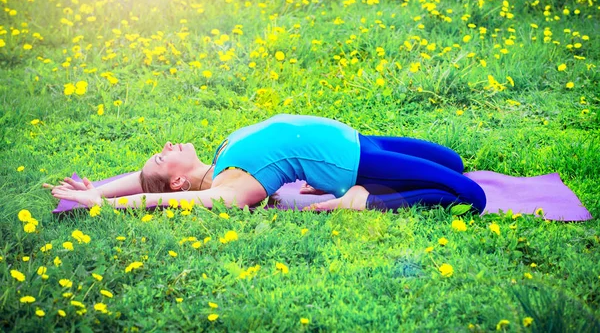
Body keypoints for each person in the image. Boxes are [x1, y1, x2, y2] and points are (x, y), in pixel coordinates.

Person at [46, 114, 486, 213]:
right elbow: (155, 197)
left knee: (454, 161)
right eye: (163, 156)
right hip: (354, 163)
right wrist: (104, 206)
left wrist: (97, 190)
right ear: (179, 180)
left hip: (357, 138)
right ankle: (360, 202)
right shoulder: (232, 187)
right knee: (471, 195)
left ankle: (363, 192)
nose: (166, 144)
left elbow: (140, 180)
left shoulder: (218, 160)